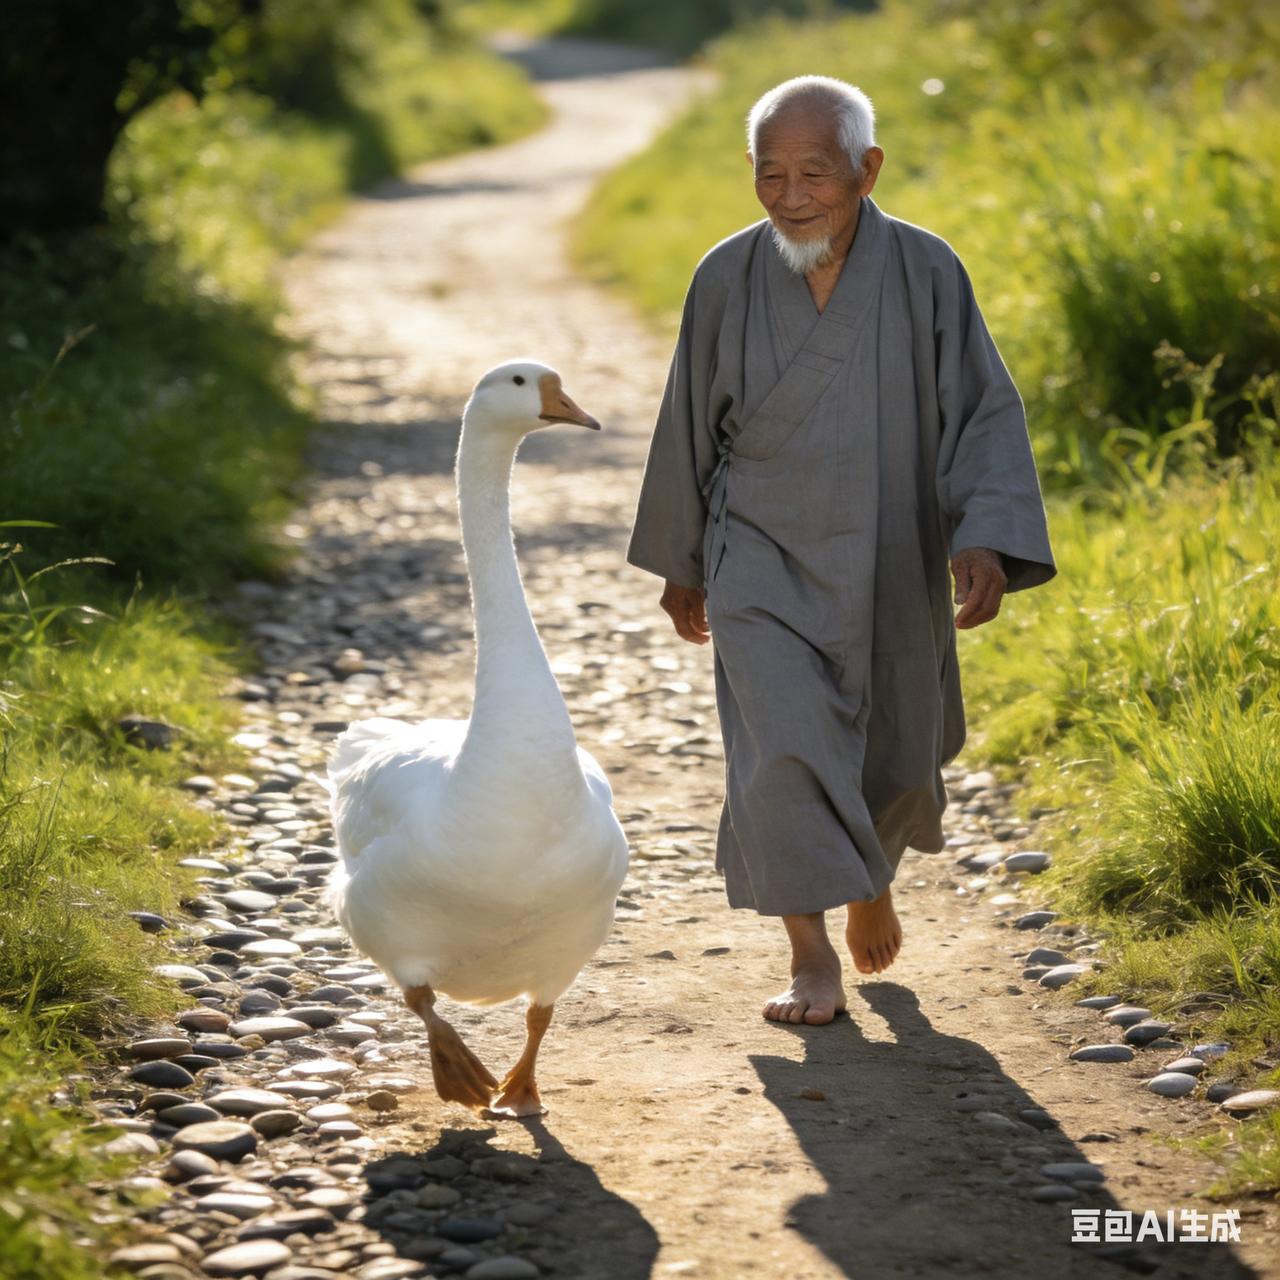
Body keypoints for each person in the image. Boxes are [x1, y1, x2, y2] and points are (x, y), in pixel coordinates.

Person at [626, 75, 1056, 1025]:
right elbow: (686, 423)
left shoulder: (927, 270)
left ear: (868, 170)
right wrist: (682, 560)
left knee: (897, 750)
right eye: (769, 175)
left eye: (814, 174)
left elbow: (981, 410)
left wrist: (985, 534)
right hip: (759, 550)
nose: (790, 197)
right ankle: (809, 955)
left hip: (893, 548)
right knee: (780, 746)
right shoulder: (724, 277)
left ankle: (870, 876)